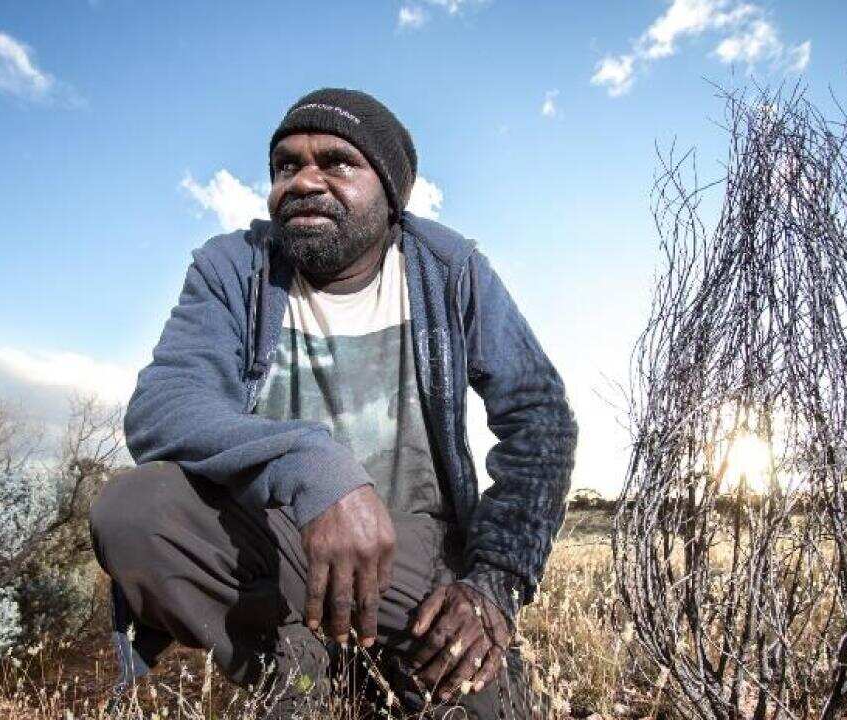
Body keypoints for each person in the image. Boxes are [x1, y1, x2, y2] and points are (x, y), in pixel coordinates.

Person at [89, 87, 577, 718]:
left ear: (391, 190)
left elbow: (540, 418)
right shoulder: (233, 268)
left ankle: (384, 670)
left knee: (487, 707)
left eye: (337, 162)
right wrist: (316, 467)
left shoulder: (448, 269)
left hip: (414, 558)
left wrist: (495, 584)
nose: (303, 181)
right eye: (285, 166)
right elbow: (164, 406)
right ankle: (298, 673)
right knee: (136, 511)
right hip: (271, 537)